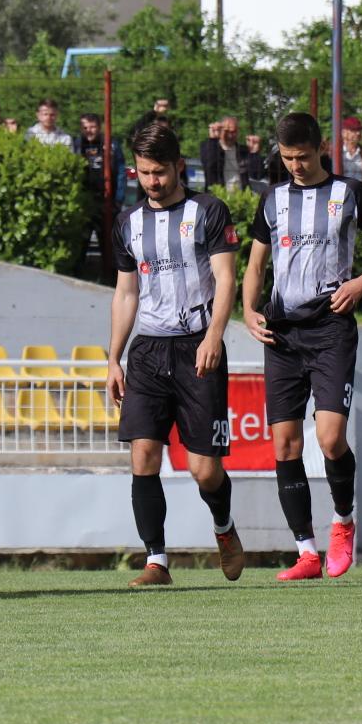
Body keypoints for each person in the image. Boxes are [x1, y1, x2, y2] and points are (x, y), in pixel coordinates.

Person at [243, 113, 362, 581]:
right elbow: (256, 265)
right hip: (281, 333)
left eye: (302, 156)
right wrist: (248, 309)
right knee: (284, 443)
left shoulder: (350, 194)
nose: (295, 165)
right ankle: (306, 552)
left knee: (331, 438)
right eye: (287, 157)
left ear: (320, 148)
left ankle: (342, 521)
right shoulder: (272, 199)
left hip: (330, 328)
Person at [106, 122, 245, 588]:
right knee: (143, 455)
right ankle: (156, 561)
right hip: (147, 351)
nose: (152, 181)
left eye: (160, 172)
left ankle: (224, 529)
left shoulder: (207, 211)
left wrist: (214, 335)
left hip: (196, 347)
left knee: (203, 469)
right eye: (144, 173)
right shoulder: (127, 222)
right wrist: (114, 358)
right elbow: (126, 293)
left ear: (178, 167)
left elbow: (226, 279)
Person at [201, 115, 250, 193]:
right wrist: (213, 140)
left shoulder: (243, 151)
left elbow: (256, 175)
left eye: (233, 132)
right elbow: (210, 165)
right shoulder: (209, 147)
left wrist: (254, 153)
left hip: (240, 198)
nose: (230, 135)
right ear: (220, 131)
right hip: (218, 197)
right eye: (227, 131)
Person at [337, 117, 362, 185]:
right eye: (354, 130)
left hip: (360, 193)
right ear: (344, 132)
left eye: (359, 130)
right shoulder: (334, 153)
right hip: (340, 193)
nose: (358, 133)